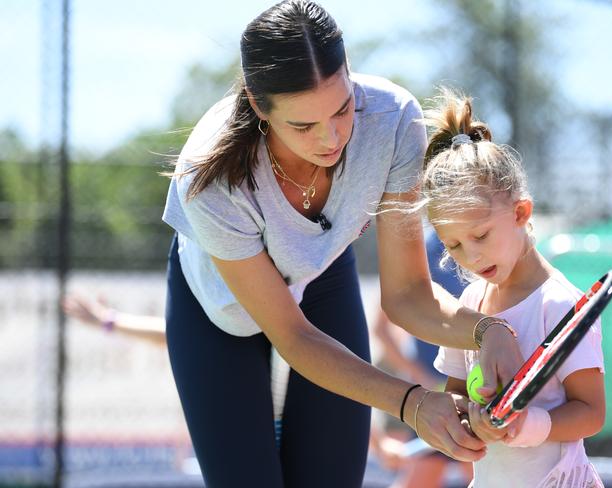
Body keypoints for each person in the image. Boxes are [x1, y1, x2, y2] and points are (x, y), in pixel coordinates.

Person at [161, 2, 522, 487]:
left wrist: (488, 331)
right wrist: (413, 403)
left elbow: (408, 295)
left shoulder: (393, 121)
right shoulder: (209, 178)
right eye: (303, 126)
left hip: (323, 273)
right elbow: (293, 336)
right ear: (257, 103)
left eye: (342, 107)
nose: (332, 138)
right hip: (219, 310)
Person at [421, 88, 606, 487]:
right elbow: (455, 395)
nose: (469, 256)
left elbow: (591, 412)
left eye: (481, 235)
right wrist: (471, 418)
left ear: (520, 212)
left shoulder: (558, 303)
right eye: (453, 245)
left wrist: (524, 425)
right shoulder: (470, 305)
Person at [370, 232, 474, 488]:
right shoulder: (422, 248)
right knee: (425, 474)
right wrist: (418, 375)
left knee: (480, 471)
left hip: (476, 394)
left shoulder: (483, 245)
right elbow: (381, 328)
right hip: (434, 398)